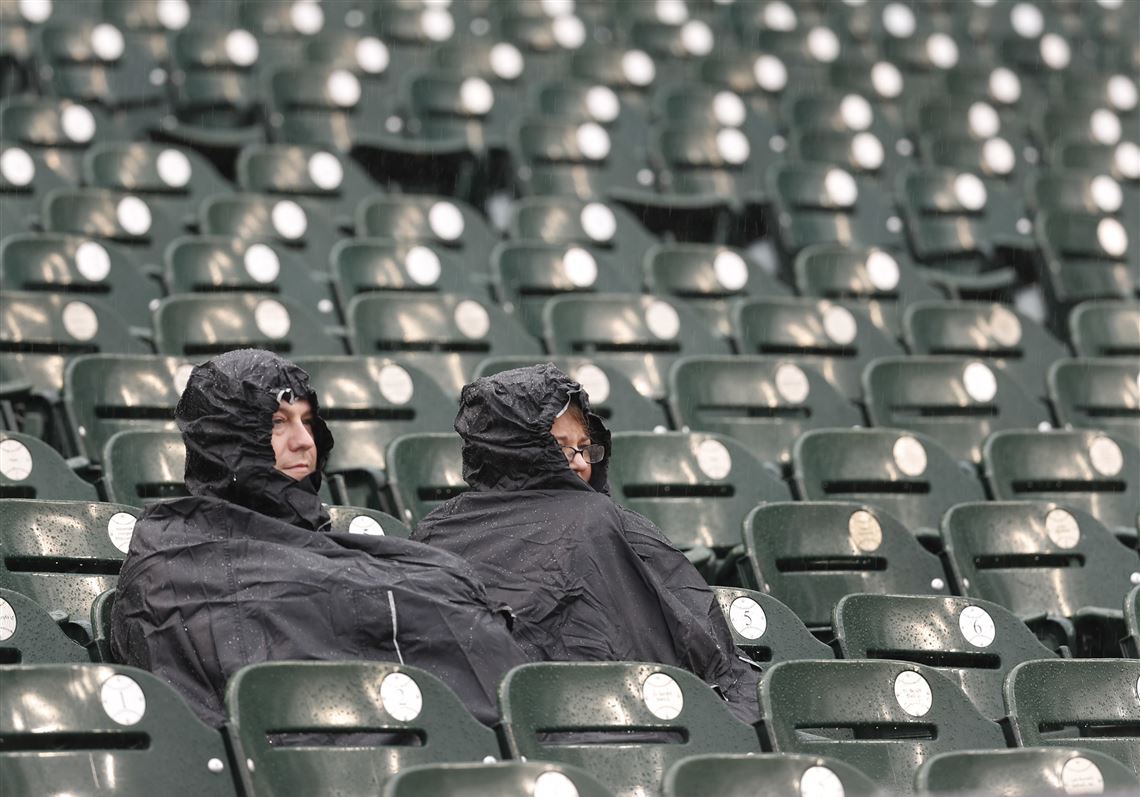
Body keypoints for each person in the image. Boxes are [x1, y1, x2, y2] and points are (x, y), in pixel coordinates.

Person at [111, 349, 529, 728]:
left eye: (307, 422)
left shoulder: (321, 545)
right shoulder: (174, 557)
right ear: (225, 440)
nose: (304, 441)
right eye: (278, 423)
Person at [411, 363, 761, 724]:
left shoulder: (604, 520)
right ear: (513, 451)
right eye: (561, 449)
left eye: (583, 448)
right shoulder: (442, 531)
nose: (580, 463)